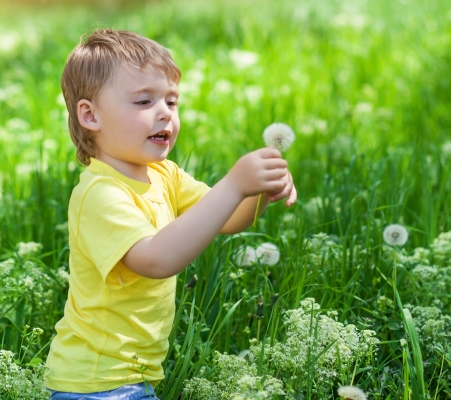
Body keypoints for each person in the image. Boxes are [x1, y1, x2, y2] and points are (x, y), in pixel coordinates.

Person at [44, 28, 297, 400]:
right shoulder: (99, 193)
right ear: (90, 115)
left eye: (172, 102)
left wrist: (257, 192)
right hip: (95, 383)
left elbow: (226, 219)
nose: (164, 113)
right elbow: (156, 259)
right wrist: (232, 185)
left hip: (131, 379)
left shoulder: (165, 174)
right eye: (144, 102)